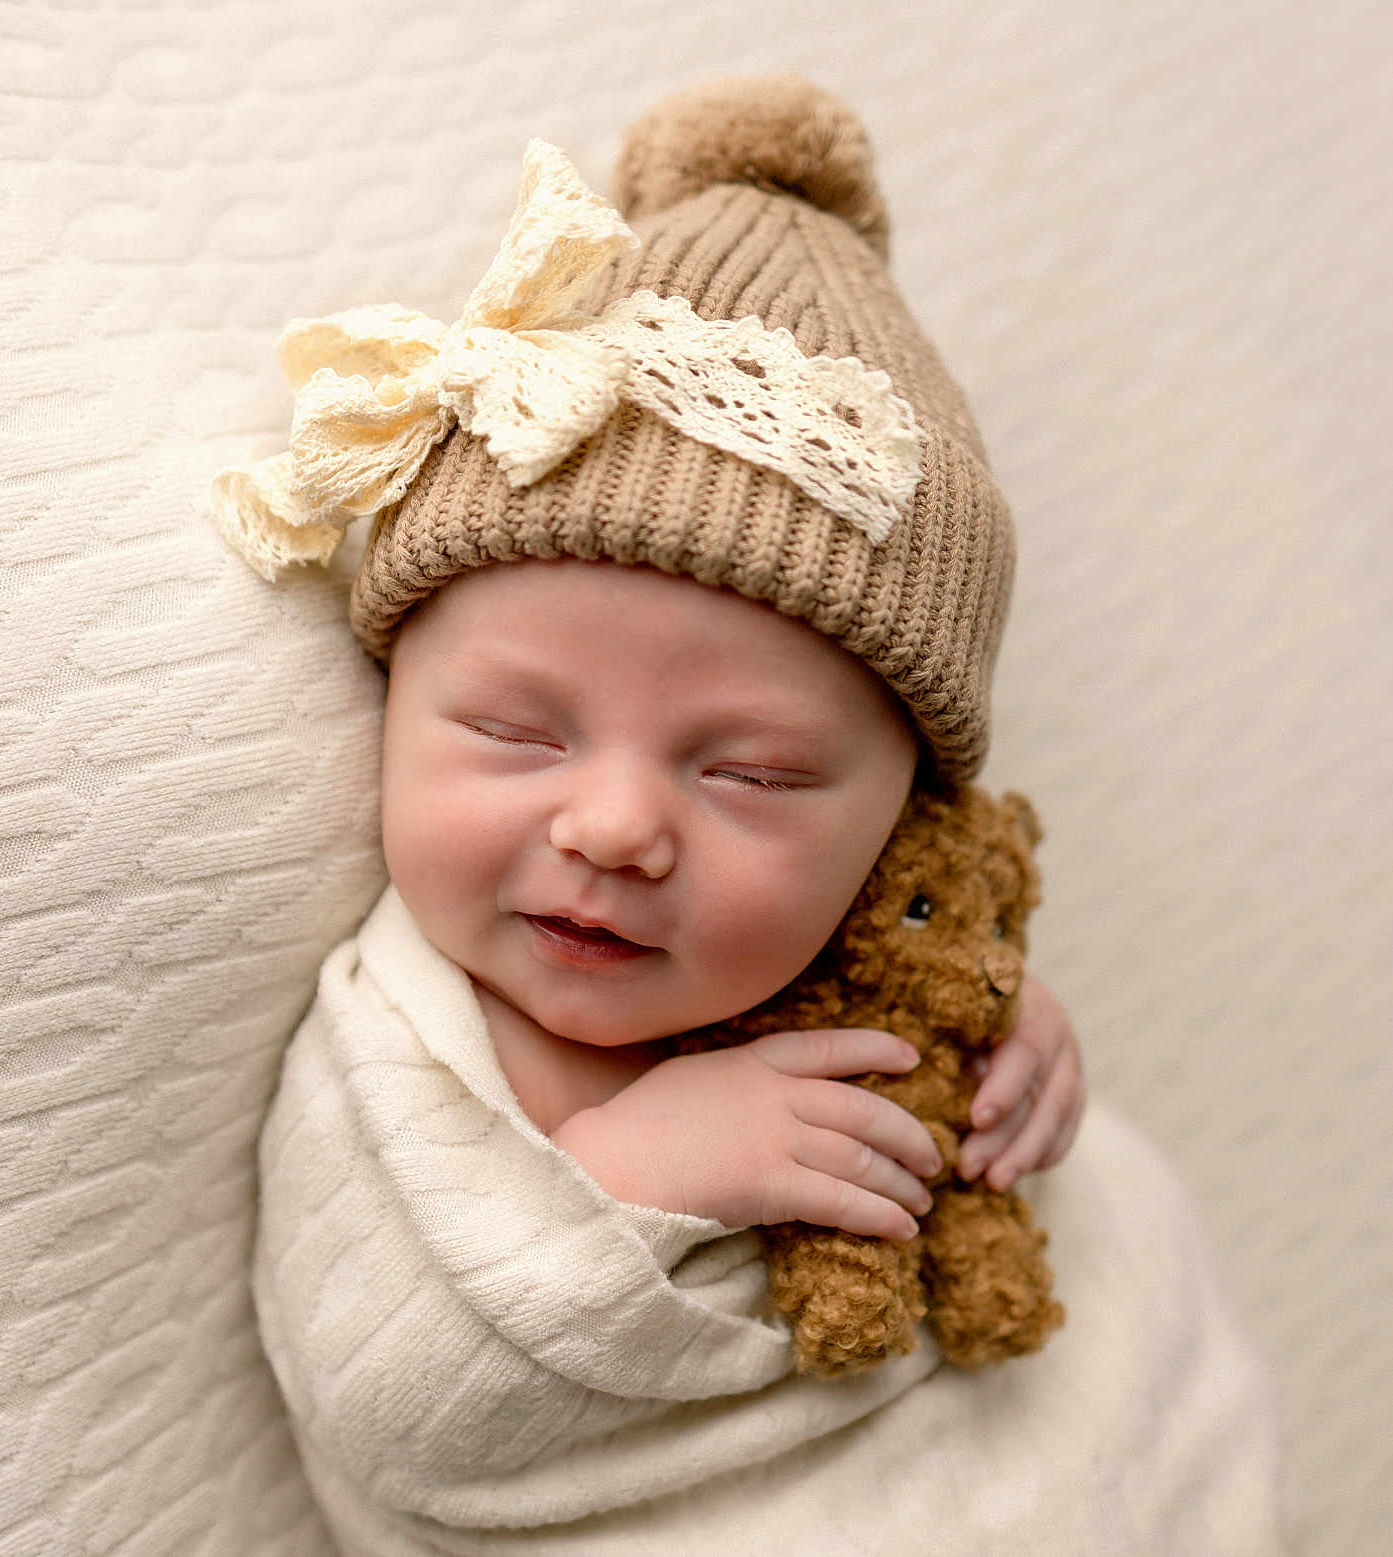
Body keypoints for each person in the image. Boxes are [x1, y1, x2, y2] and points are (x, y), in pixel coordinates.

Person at [215, 76, 1283, 1557]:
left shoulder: (861, 953)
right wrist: (635, 1177)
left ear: (904, 817)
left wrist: (1008, 1058)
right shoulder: (400, 1048)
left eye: (753, 776)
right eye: (516, 731)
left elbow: (1053, 1248)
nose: (610, 826)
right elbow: (388, 1399)